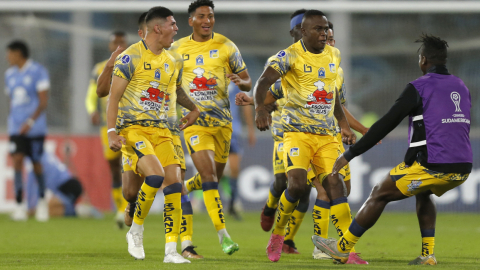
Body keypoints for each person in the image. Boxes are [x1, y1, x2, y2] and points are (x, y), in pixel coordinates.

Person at [313, 34, 472, 266]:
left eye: (420, 58)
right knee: (423, 192)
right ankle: (428, 254)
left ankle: (341, 248)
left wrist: (350, 153)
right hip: (464, 167)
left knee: (379, 192)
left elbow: (386, 124)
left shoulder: (419, 87)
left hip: (432, 165)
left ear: (424, 60)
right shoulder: (461, 86)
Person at [252, 10, 356, 262]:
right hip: (297, 133)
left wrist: (344, 124)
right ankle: (277, 236)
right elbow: (263, 83)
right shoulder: (288, 56)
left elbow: (331, 96)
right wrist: (259, 108)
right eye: (319, 29)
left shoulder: (334, 55)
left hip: (326, 136)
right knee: (296, 186)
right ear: (304, 32)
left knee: (336, 186)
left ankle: (347, 249)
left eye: (326, 30)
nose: (324, 34)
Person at [107, 6, 199, 263]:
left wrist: (194, 108)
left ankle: (170, 251)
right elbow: (112, 97)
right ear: (157, 28)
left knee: (174, 185)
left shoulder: (174, 60)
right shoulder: (130, 57)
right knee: (154, 176)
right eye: (173, 24)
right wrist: (112, 132)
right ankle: (136, 231)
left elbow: (177, 91)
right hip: (134, 129)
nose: (177, 29)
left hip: (164, 131)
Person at [169, 0, 252, 255]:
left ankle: (188, 186)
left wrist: (242, 82)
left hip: (223, 125)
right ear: (191, 20)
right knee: (210, 178)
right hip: (194, 124)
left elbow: (248, 81)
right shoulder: (176, 48)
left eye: (211, 16)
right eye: (202, 16)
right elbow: (165, 81)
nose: (207, 20)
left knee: (214, 176)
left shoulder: (227, 46)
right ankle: (223, 237)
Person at [85, 31, 129, 228]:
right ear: (110, 46)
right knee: (113, 167)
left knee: (128, 164)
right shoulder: (100, 68)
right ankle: (120, 207)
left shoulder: (133, 64)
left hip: (129, 123)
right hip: (108, 126)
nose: (118, 45)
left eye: (122, 42)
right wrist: (92, 110)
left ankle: (126, 208)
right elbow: (91, 95)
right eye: (115, 42)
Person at [5, 40, 50, 222]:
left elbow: (43, 101)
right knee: (17, 161)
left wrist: (30, 121)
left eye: (10, 53)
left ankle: (41, 203)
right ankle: (19, 205)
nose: (8, 57)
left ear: (19, 53)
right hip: (16, 128)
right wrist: (15, 121)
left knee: (36, 163)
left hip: (35, 128)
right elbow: (13, 101)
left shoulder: (38, 71)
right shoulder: (9, 74)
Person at [226, 82, 256, 220]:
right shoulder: (211, 73)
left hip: (233, 130)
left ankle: (233, 204)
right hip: (213, 129)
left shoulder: (237, 81)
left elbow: (246, 106)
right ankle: (202, 202)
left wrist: (250, 129)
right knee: (211, 169)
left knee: (235, 168)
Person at [26, 152, 83, 217]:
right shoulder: (44, 154)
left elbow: (32, 184)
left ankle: (74, 212)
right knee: (50, 208)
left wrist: (30, 207)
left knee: (50, 209)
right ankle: (72, 210)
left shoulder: (34, 159)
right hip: (70, 184)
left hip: (67, 186)